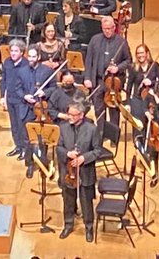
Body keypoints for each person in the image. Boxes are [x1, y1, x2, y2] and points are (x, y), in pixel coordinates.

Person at [57, 100, 100, 242]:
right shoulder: (63, 128)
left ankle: (89, 227)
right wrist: (67, 154)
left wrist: (83, 158)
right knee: (68, 200)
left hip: (85, 172)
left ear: (81, 115)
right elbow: (58, 148)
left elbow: (97, 151)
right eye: (69, 114)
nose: (69, 117)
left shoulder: (92, 129)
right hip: (68, 173)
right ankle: (68, 224)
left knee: (86, 202)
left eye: (73, 115)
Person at [0, 39, 33, 172]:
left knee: (22, 125)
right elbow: (4, 81)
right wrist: (2, 96)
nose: (13, 53)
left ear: (22, 52)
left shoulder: (26, 64)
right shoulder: (7, 62)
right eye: (11, 51)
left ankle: (25, 149)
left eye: (16, 51)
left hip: (22, 100)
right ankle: (18, 146)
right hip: (10, 99)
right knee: (13, 125)